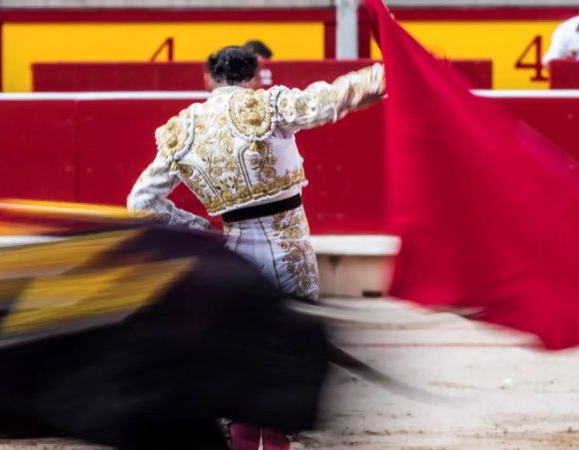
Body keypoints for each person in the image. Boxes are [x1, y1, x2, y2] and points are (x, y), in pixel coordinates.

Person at [127, 46, 385, 450]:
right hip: (290, 247)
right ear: (254, 75)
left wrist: (199, 229)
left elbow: (140, 204)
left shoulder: (182, 129)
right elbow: (330, 100)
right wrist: (381, 76)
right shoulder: (270, 105)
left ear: (209, 78)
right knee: (286, 356)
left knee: (239, 360)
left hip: (235, 255)